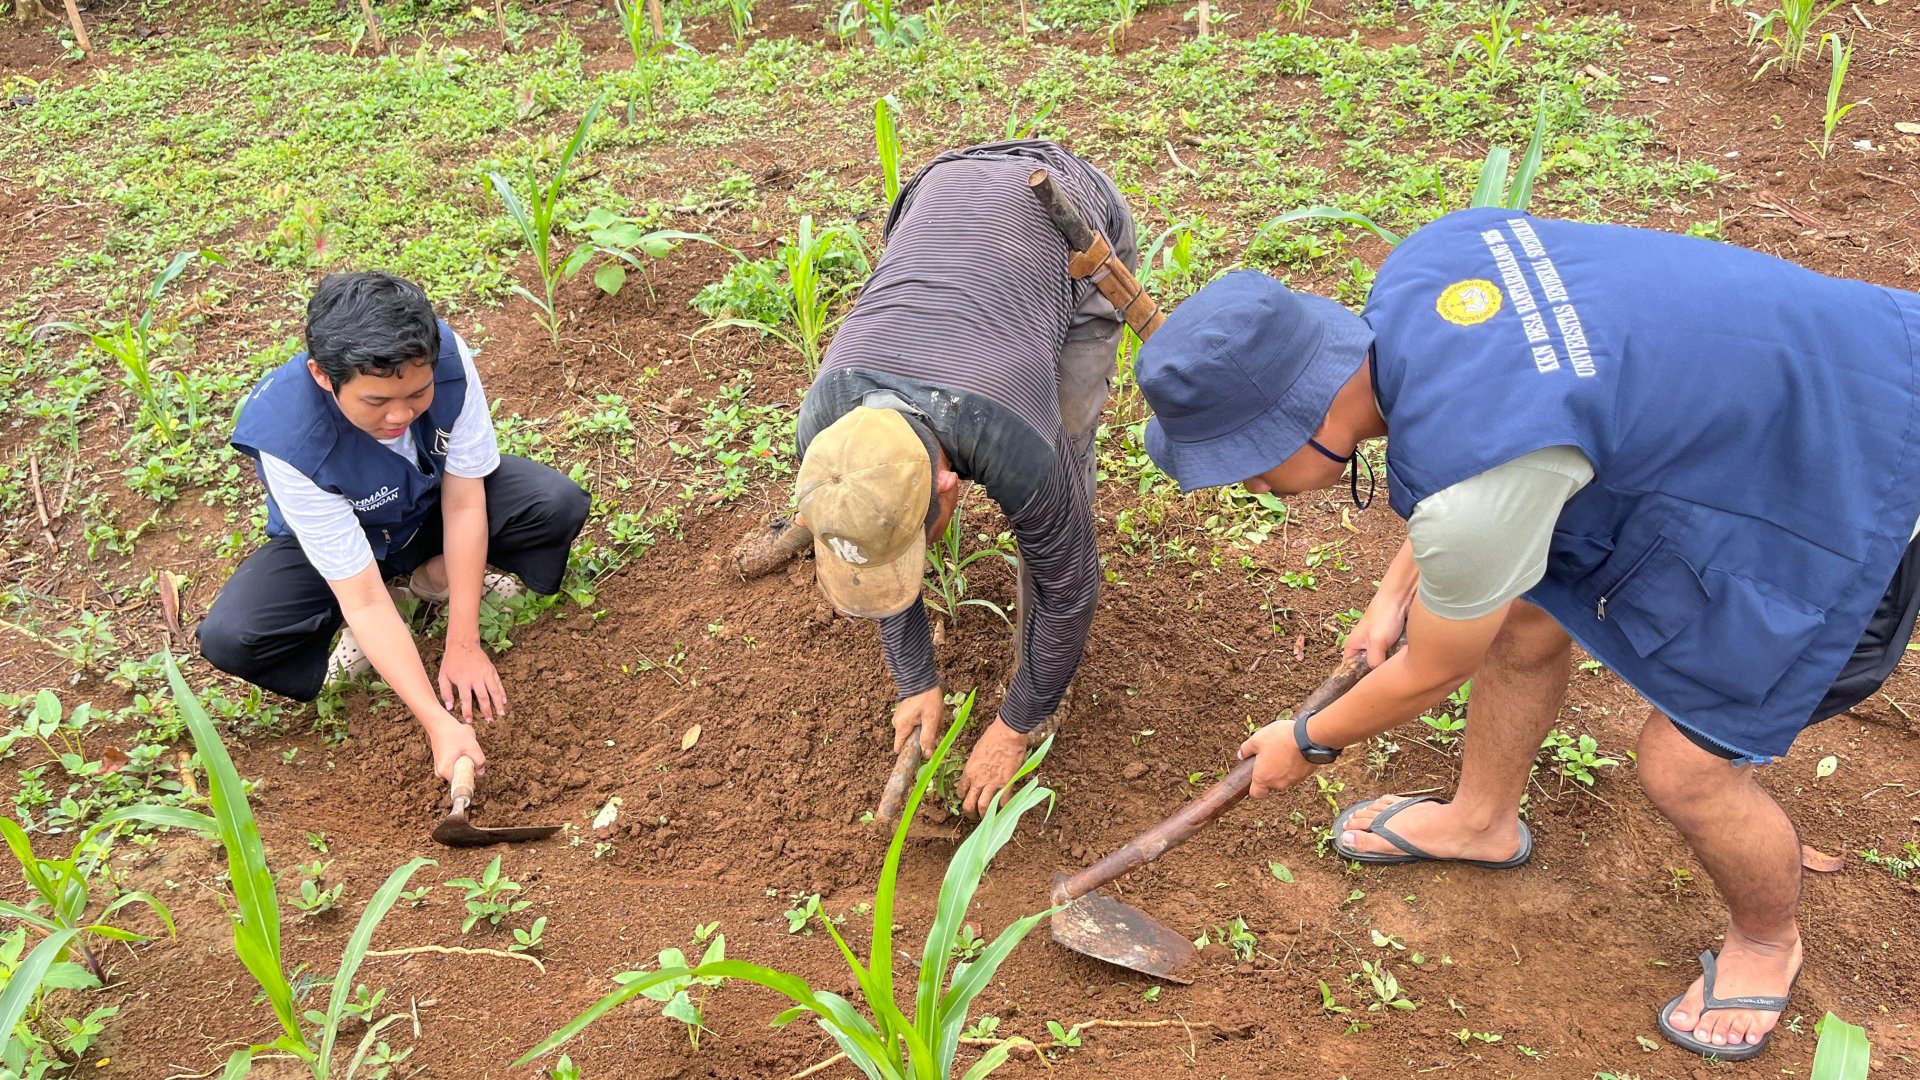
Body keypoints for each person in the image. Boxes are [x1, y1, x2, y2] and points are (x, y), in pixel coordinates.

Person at [1133, 208, 1920, 1062]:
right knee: (1521, 604)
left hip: (1866, 473)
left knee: (1687, 768)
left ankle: (1767, 941)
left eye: (1244, 464)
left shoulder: (1474, 488)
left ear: (1302, 420)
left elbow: (1436, 662)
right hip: (1820, 374)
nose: (1249, 487)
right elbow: (1488, 446)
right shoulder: (1430, 266)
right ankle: (1481, 821)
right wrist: (1395, 594)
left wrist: (1306, 740)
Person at [791, 139, 1136, 816]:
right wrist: (914, 676)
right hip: (936, 192)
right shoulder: (825, 435)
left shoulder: (1014, 439)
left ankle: (1042, 689)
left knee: (1065, 450)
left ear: (949, 488)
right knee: (886, 513)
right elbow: (875, 537)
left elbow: (1073, 589)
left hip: (1069, 214)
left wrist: (1012, 727)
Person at [197, 272, 590, 781]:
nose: (400, 415)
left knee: (553, 504)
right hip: (349, 549)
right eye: (376, 402)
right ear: (323, 376)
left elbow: (464, 503)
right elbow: (361, 596)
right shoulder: (287, 438)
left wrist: (463, 643)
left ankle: (429, 580)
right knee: (235, 636)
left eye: (417, 393)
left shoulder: (445, 357)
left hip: (426, 508)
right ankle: (374, 627)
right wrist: (439, 722)